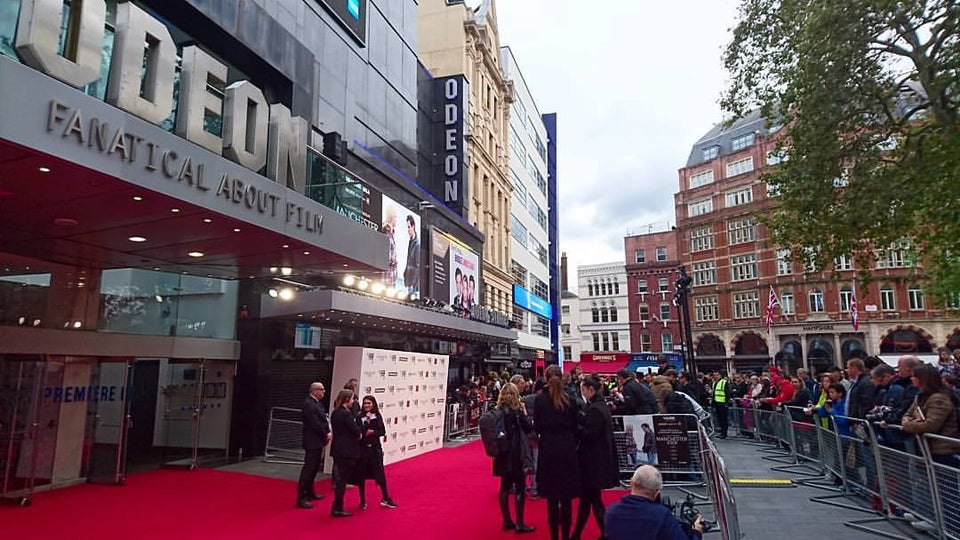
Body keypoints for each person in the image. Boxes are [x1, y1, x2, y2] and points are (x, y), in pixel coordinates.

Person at [535, 364, 581, 540]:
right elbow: (576, 425)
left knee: (552, 499)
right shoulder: (570, 398)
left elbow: (537, 426)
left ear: (546, 378)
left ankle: (554, 536)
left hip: (548, 449)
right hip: (567, 448)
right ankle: (566, 536)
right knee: (567, 499)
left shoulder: (540, 400)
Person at [571, 376, 619, 540]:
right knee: (591, 499)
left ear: (590, 389)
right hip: (597, 459)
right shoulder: (600, 406)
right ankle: (582, 533)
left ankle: (600, 534)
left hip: (593, 460)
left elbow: (590, 434)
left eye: (583, 389)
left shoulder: (595, 408)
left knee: (591, 499)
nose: (582, 392)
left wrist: (577, 427)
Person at [606, 465, 704, 540]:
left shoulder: (611, 511)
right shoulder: (662, 515)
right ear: (657, 493)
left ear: (631, 482)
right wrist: (697, 532)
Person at [493, 383, 536, 533]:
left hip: (502, 453)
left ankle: (506, 520)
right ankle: (519, 523)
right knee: (520, 488)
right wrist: (524, 413)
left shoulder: (497, 411)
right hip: (517, 453)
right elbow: (529, 428)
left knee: (504, 487)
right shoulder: (517, 411)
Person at [900, 363, 960, 467]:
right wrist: (910, 422)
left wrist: (907, 425)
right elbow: (907, 415)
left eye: (914, 376)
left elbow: (930, 425)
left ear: (922, 378)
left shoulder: (939, 399)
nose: (911, 378)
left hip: (943, 450)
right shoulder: (920, 396)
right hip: (928, 448)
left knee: (944, 481)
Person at [352, 395, 397, 510]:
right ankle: (362, 500)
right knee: (361, 475)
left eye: (369, 403)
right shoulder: (359, 416)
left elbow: (382, 431)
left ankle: (386, 497)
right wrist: (364, 430)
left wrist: (373, 432)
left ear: (373, 404)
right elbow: (356, 432)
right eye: (365, 403)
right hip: (362, 450)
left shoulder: (377, 416)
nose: (367, 405)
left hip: (375, 449)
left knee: (380, 474)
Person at [296, 382, 331, 509]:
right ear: (314, 391)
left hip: (317, 440)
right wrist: (325, 434)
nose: (324, 392)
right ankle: (301, 497)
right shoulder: (309, 405)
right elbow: (314, 423)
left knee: (314, 468)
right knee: (309, 468)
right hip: (312, 441)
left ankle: (310, 492)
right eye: (321, 389)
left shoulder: (317, 403)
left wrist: (327, 432)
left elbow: (323, 420)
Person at [330, 389, 362, 517]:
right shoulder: (346, 415)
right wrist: (359, 433)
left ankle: (337, 506)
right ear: (347, 399)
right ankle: (338, 507)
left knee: (340, 480)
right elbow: (355, 431)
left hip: (337, 449)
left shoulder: (335, 413)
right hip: (346, 450)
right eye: (353, 399)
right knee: (342, 480)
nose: (354, 402)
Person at [402, 214, 420, 296]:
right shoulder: (411, 242)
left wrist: (413, 284)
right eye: (407, 227)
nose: (408, 230)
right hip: (408, 283)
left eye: (409, 227)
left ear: (413, 226)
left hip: (412, 286)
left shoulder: (417, 244)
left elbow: (417, 267)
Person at [712, 371, 730, 439]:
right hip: (717, 403)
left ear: (720, 375)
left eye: (717, 375)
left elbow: (727, 393)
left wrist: (726, 403)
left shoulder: (724, 382)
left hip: (722, 403)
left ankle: (724, 433)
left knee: (724, 419)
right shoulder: (716, 383)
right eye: (715, 375)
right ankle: (722, 431)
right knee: (720, 419)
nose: (716, 376)